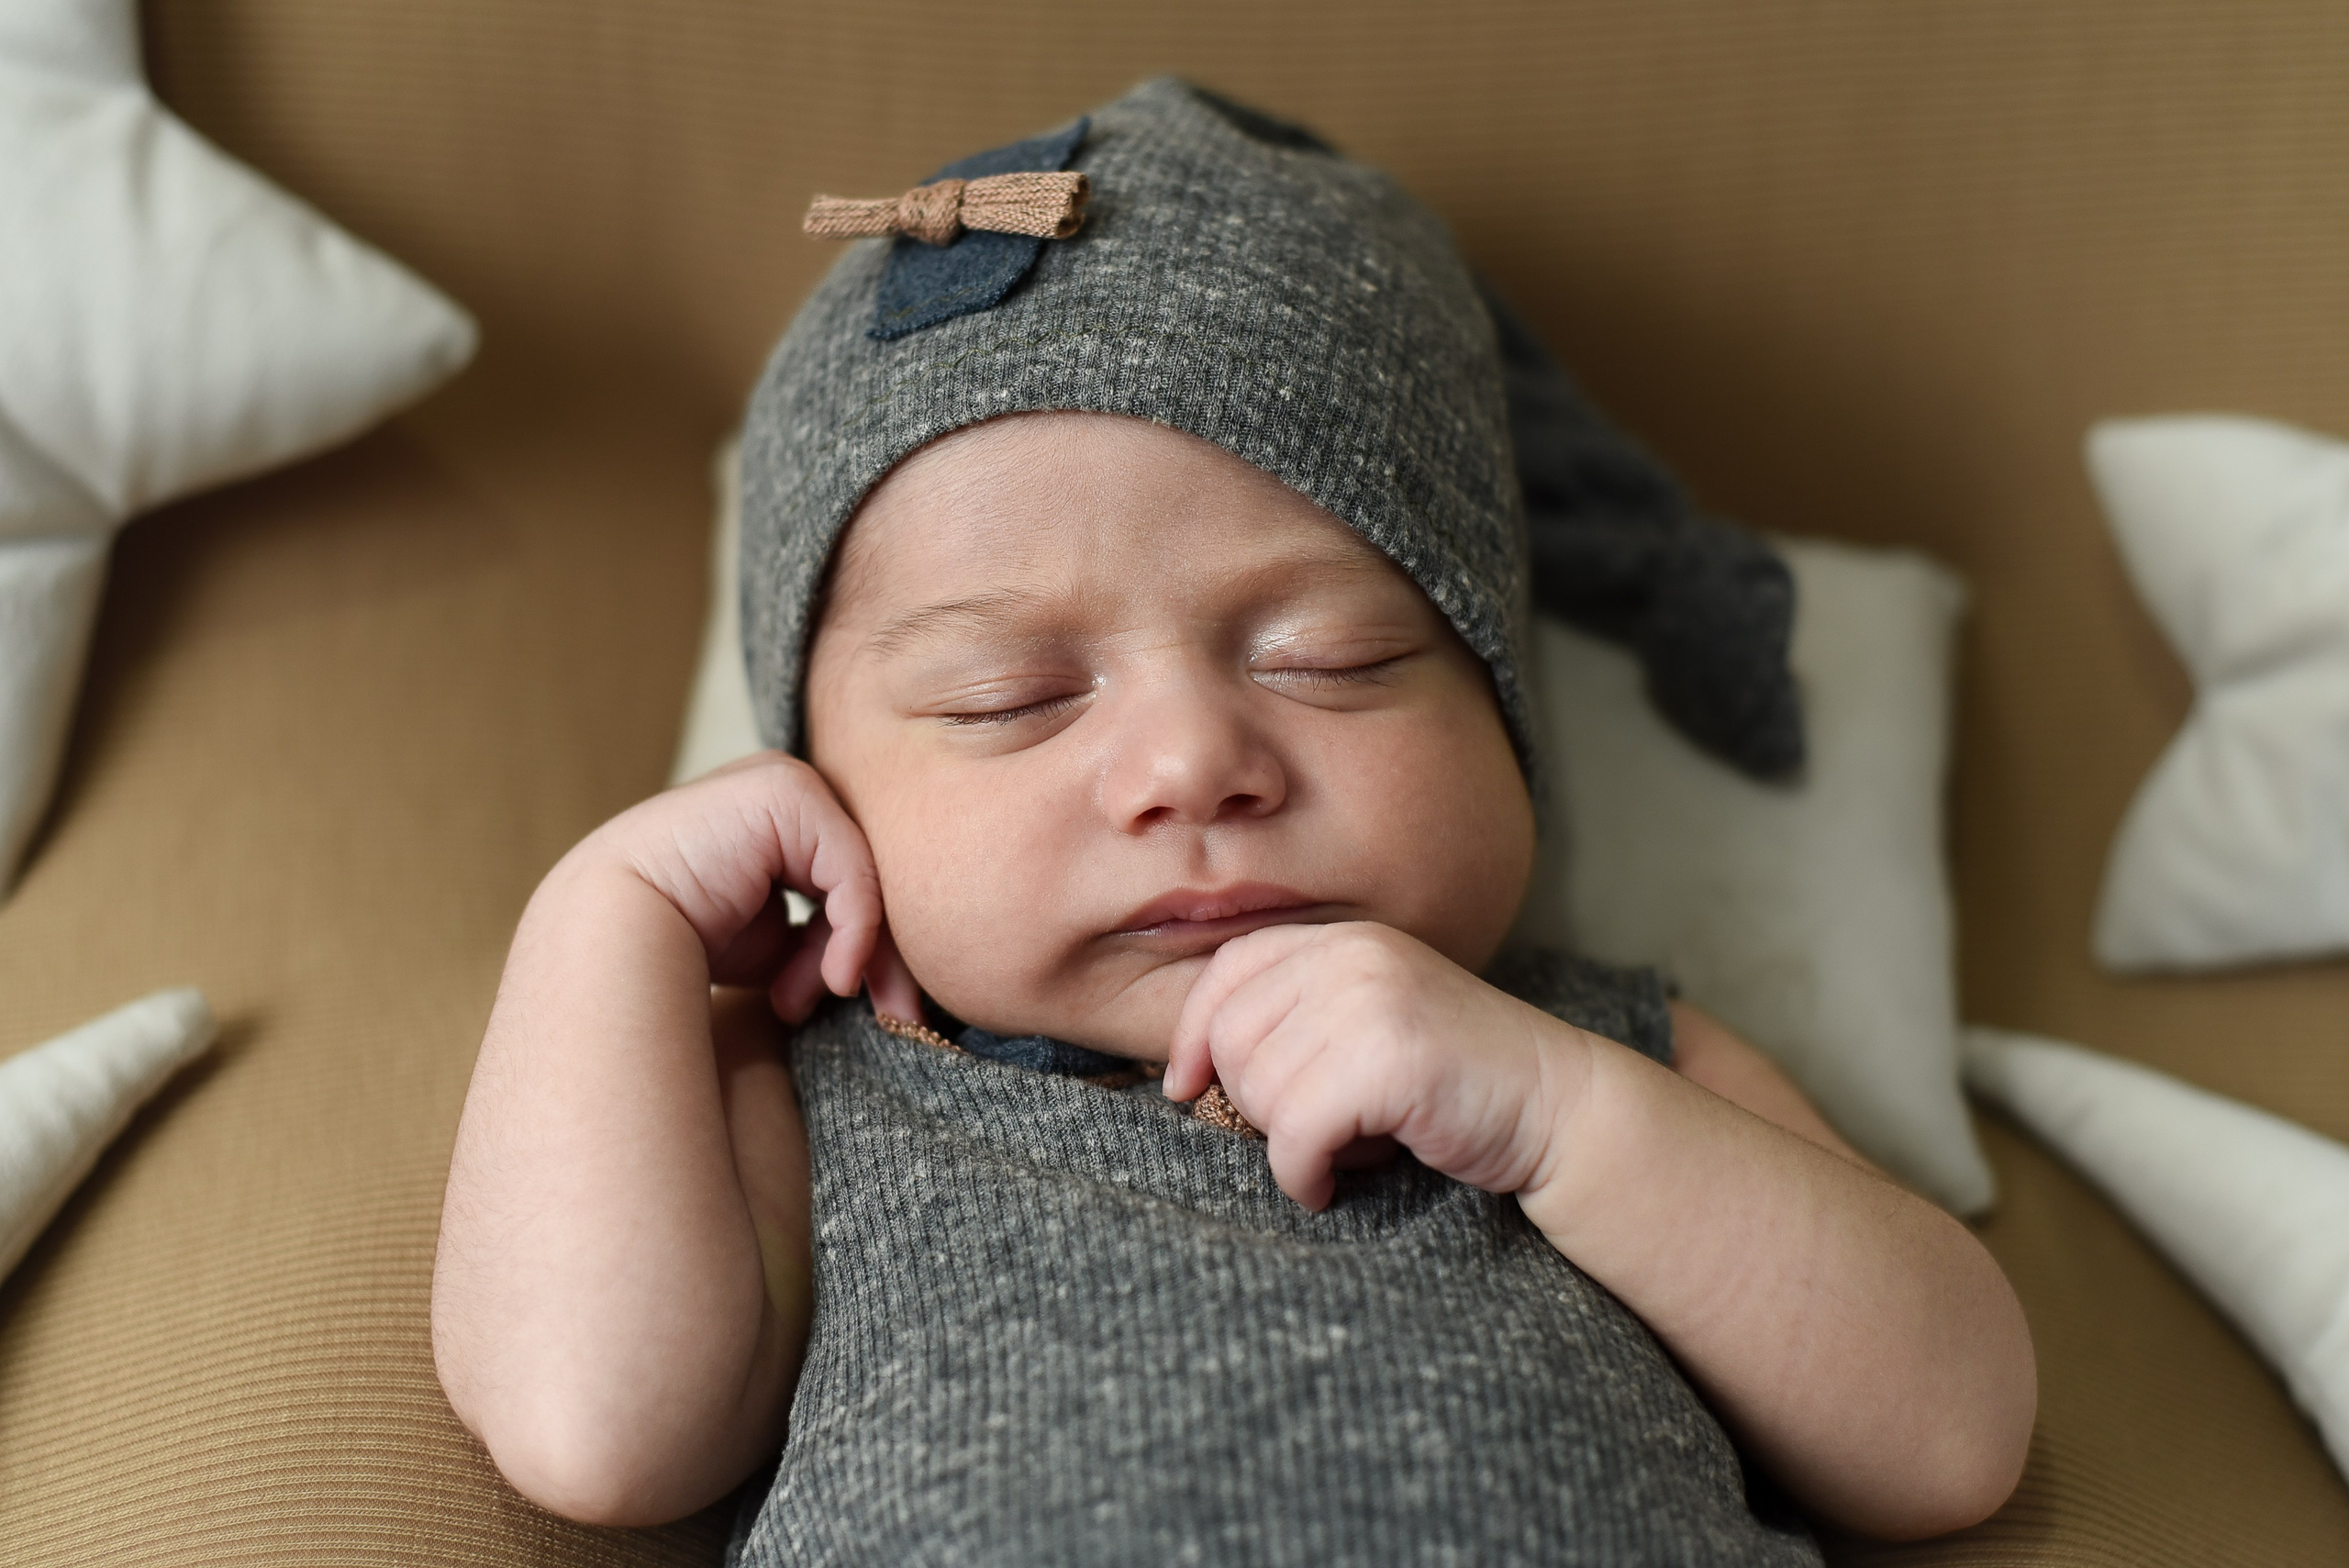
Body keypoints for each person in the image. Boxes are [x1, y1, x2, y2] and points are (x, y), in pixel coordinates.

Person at [429, 79, 2035, 1567]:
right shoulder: (823, 1093)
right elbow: (594, 1428)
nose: (1193, 765)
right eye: (1009, 695)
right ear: (819, 789)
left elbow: (1951, 1438)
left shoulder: (1601, 1054)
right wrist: (611, 909)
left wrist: (1557, 1117)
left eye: (1325, 659)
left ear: (1501, 700)